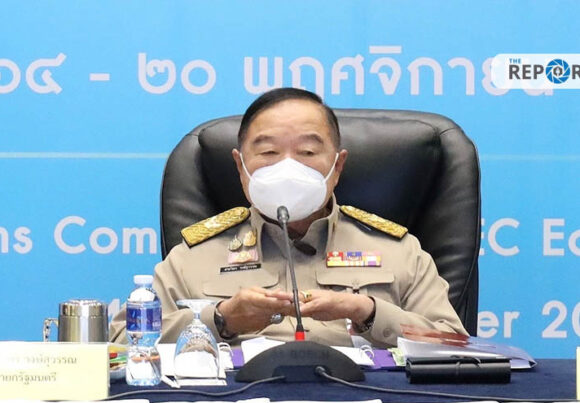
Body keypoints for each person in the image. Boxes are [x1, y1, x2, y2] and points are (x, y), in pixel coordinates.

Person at [110, 88, 467, 347]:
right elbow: (124, 343)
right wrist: (221, 319)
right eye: (268, 152)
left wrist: (368, 312)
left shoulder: (397, 250)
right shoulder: (195, 256)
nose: (288, 167)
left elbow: (453, 344)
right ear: (240, 166)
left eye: (308, 152)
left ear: (338, 166)